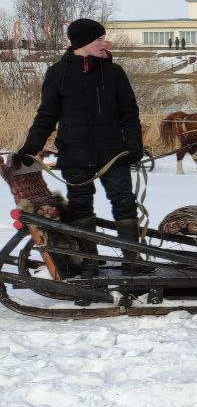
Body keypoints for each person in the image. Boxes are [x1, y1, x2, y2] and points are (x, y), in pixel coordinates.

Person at [15, 19, 147, 276]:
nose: (104, 43)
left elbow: (129, 114)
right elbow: (46, 116)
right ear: (83, 43)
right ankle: (89, 260)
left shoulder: (115, 72)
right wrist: (31, 147)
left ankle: (133, 259)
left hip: (113, 154)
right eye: (98, 39)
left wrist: (134, 145)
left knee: (124, 202)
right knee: (81, 206)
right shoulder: (56, 73)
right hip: (74, 154)